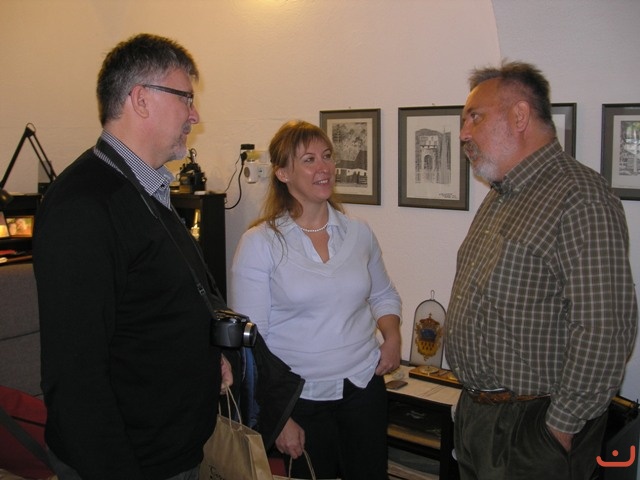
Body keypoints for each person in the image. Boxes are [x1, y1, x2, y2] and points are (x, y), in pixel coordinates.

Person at [33, 33, 232, 480]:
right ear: (141, 99)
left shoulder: (146, 187)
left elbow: (158, 302)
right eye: (186, 98)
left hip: (173, 448)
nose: (195, 114)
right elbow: (75, 376)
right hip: (132, 462)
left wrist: (206, 353)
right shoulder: (83, 206)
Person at [445, 60, 638, 480]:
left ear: (519, 116)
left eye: (475, 118)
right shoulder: (502, 195)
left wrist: (560, 428)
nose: (463, 133)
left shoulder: (579, 196)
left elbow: (604, 326)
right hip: (480, 417)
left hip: (534, 426)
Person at [229, 120, 402, 479]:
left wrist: (393, 337)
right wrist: (280, 418)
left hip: (363, 389)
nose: (324, 168)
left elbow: (383, 294)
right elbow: (252, 346)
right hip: (299, 401)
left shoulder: (359, 233)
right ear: (282, 173)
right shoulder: (261, 243)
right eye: (309, 160)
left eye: (327, 156)